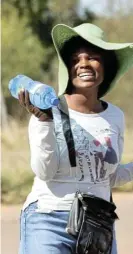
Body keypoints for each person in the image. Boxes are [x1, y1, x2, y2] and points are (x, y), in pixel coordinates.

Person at [18, 23, 133, 254]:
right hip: (48, 219)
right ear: (67, 69)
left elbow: (105, 177)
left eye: (92, 57)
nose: (83, 64)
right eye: (75, 59)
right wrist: (44, 123)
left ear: (106, 66)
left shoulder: (115, 116)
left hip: (97, 224)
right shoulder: (48, 110)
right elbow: (44, 172)